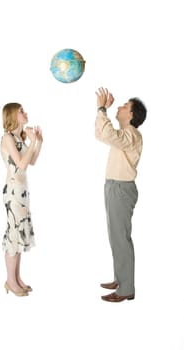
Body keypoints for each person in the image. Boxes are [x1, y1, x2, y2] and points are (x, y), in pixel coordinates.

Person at [95, 87, 146, 302]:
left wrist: (101, 108)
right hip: (114, 187)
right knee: (115, 237)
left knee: (121, 239)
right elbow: (100, 134)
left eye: (125, 106)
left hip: (121, 189)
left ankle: (126, 289)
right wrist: (102, 112)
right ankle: (120, 278)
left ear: (131, 115)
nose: (120, 107)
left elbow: (107, 134)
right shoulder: (123, 134)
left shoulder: (132, 134)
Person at [0, 103, 43, 296]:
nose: (26, 113)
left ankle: (17, 279)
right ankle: (10, 281)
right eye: (21, 111)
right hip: (13, 193)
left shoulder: (18, 138)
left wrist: (38, 141)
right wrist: (32, 142)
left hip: (22, 192)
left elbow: (32, 160)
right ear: (12, 115)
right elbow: (21, 164)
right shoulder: (7, 137)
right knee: (13, 235)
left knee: (18, 235)